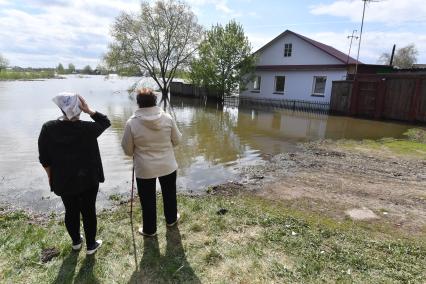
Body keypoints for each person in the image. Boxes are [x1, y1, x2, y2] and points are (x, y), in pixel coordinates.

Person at [38, 93, 110, 255]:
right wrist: (89, 110)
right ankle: (91, 245)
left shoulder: (48, 128)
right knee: (88, 210)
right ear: (79, 108)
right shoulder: (88, 128)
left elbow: (44, 159)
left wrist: (51, 176)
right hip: (88, 178)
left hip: (63, 179)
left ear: (61, 108)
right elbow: (105, 122)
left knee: (71, 210)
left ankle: (76, 242)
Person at [121, 88, 182, 237]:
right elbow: (177, 140)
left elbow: (128, 151)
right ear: (155, 101)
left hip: (144, 168)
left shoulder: (131, 123)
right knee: (169, 193)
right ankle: (171, 219)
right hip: (167, 165)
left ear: (138, 103)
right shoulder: (167, 118)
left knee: (147, 200)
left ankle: (150, 230)